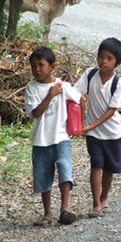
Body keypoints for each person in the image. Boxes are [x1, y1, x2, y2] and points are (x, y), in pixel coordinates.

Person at [25, 46, 82, 225]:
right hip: (41, 139)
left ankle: (65, 208)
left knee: (65, 169)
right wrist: (50, 96)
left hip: (61, 137)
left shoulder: (63, 86)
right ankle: (47, 213)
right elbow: (35, 112)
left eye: (41, 65)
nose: (37, 70)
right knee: (43, 175)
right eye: (33, 66)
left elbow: (80, 100)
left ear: (52, 67)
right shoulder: (31, 88)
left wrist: (80, 125)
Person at [74, 37, 121, 218]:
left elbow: (112, 110)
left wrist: (88, 126)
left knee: (109, 168)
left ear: (117, 62)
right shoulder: (90, 75)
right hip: (93, 133)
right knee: (96, 164)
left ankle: (104, 198)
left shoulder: (118, 83)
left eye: (109, 58)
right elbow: (75, 93)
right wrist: (80, 116)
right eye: (101, 57)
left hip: (112, 132)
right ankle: (96, 204)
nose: (104, 61)